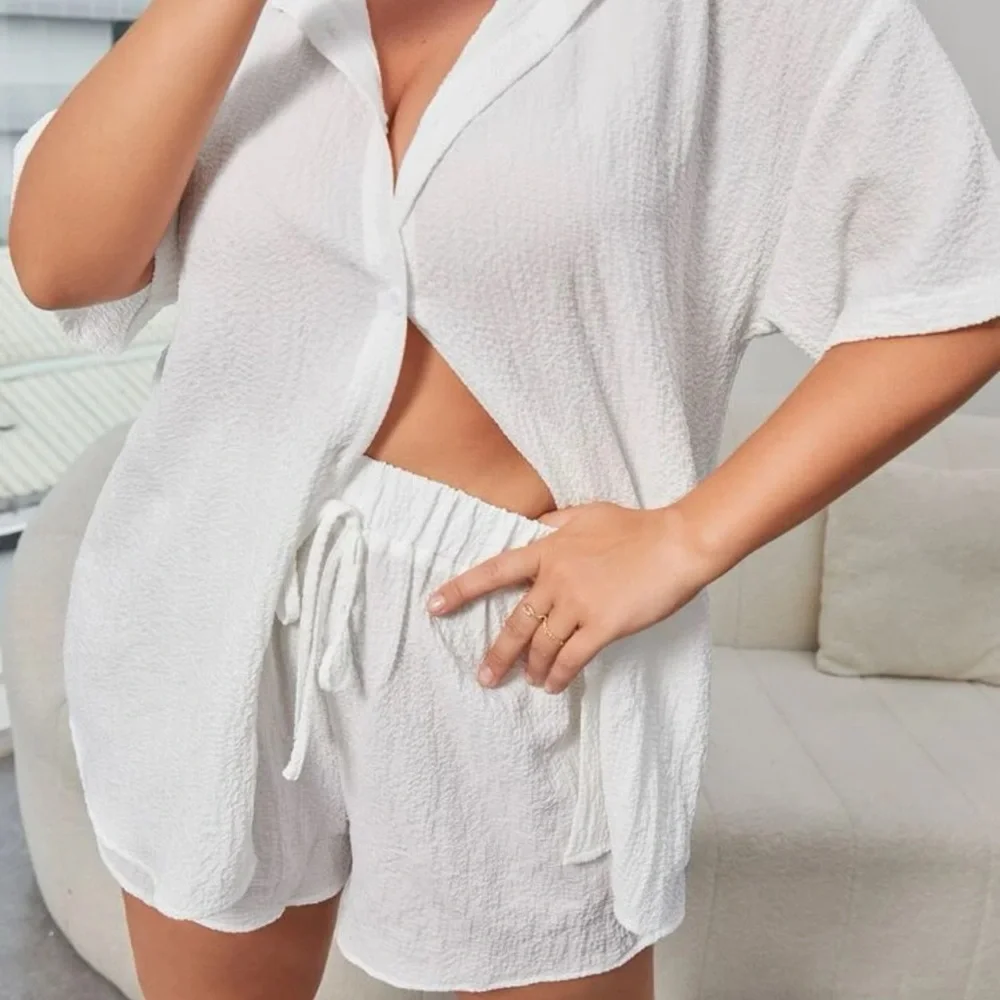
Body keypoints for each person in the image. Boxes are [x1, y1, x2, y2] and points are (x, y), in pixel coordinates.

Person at [9, 0, 1000, 997]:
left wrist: (689, 538)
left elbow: (963, 286)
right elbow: (60, 266)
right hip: (204, 599)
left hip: (512, 639)